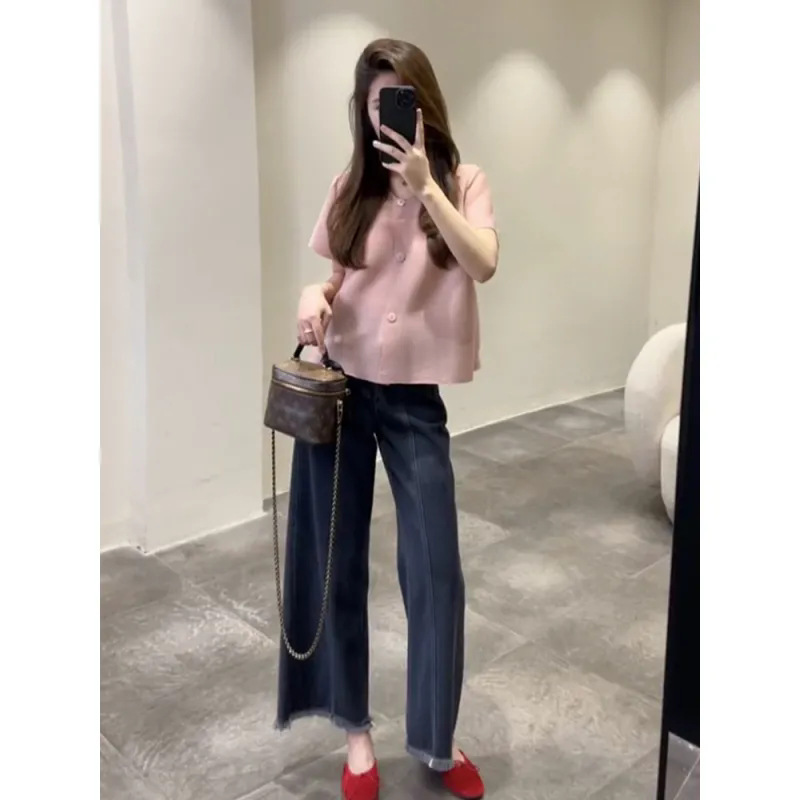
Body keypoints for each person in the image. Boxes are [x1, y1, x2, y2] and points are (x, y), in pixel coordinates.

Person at [275, 38, 499, 800]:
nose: (388, 114)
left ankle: (436, 738)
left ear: (424, 103)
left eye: (400, 99)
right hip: (341, 389)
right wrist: (313, 296)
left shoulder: (464, 183)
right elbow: (334, 278)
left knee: (435, 569)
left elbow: (483, 261)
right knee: (334, 562)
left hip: (412, 402)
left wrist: (427, 187)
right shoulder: (350, 186)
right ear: (363, 110)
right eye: (377, 103)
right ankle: (356, 734)